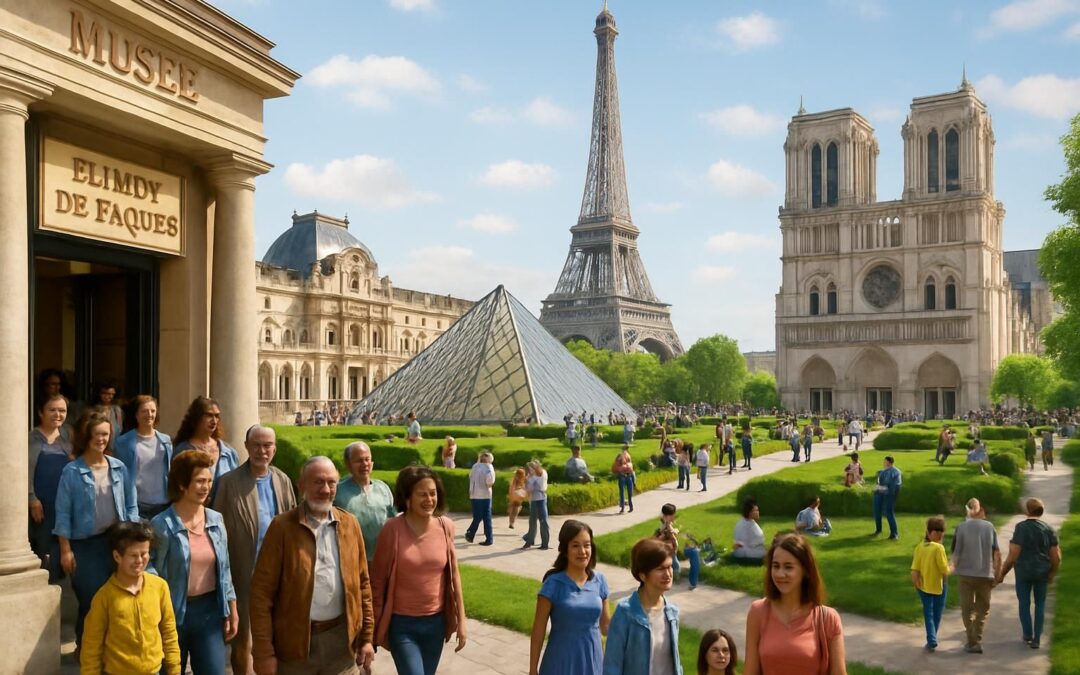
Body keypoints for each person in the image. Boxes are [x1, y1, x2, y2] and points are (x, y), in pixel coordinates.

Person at [250, 456, 375, 675]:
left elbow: (363, 586)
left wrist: (366, 639)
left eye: (331, 482)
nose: (325, 489)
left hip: (341, 645)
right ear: (302, 486)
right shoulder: (282, 528)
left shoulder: (349, 525)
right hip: (295, 648)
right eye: (317, 482)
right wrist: (263, 652)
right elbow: (261, 594)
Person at [212, 425, 298, 675]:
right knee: (244, 639)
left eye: (268, 445)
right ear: (247, 446)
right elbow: (218, 531)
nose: (262, 450)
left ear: (275, 448)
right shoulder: (228, 483)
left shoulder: (282, 480)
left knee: (280, 634)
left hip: (278, 572)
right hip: (243, 570)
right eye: (257, 445)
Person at [54, 410, 140, 644]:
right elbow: (62, 513)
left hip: (115, 541)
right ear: (86, 437)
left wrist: (133, 537)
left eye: (106, 434)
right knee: (91, 600)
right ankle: (87, 650)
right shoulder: (71, 472)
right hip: (84, 546)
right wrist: (65, 549)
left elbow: (131, 505)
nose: (101, 439)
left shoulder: (119, 468)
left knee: (115, 599)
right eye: (97, 434)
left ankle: (108, 652)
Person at [371, 465, 466, 675]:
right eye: (421, 494)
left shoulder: (445, 526)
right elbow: (377, 583)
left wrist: (462, 620)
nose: (429, 500)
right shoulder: (392, 529)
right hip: (402, 625)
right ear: (407, 497)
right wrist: (370, 630)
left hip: (436, 623)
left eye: (432, 494)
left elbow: (454, 576)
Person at [150, 450, 239, 674]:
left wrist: (232, 608)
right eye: (199, 481)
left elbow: (225, 568)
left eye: (209, 481)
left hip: (209, 611)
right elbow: (150, 571)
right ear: (182, 484)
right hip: (171, 613)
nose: (206, 487)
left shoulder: (216, 520)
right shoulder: (161, 524)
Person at [81, 520, 181, 675]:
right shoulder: (104, 597)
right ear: (117, 556)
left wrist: (174, 669)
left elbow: (169, 632)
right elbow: (91, 646)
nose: (140, 561)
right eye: (133, 555)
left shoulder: (159, 587)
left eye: (144, 554)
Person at [743, 533, 845, 675]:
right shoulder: (758, 612)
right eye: (776, 566)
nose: (780, 574)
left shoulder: (828, 619)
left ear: (806, 571)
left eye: (788, 567)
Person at [529, 520, 610, 675]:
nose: (582, 551)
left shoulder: (600, 581)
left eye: (587, 545)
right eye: (575, 545)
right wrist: (533, 669)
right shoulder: (552, 584)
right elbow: (538, 631)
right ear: (565, 550)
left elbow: (606, 627)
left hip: (592, 660)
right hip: (560, 661)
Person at [602, 537, 682, 675]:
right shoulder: (625, 613)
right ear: (643, 575)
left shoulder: (672, 613)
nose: (668, 574)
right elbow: (612, 665)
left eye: (669, 567)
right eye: (660, 569)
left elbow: (675, 663)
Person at [996, 498, 1062, 649]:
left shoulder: (1021, 528)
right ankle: (1037, 638)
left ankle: (1027, 634)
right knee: (1040, 604)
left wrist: (1003, 574)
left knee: (1024, 603)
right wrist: (1052, 573)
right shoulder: (1048, 529)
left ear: (1027, 511)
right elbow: (1056, 556)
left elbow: (1013, 555)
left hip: (1023, 572)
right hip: (1041, 572)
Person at [29, 393, 72, 582]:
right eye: (52, 410)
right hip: (42, 508)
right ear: (40, 412)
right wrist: (31, 499)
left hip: (63, 506)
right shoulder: (32, 438)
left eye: (62, 410)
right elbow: (24, 473)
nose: (57, 414)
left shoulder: (68, 436)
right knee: (43, 554)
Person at [950, 497, 1001, 654]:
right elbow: (996, 553)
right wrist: (997, 573)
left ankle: (972, 640)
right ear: (980, 510)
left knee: (966, 607)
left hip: (965, 573)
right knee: (983, 607)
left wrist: (951, 568)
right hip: (985, 574)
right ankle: (976, 638)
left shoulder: (961, 527)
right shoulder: (989, 527)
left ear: (968, 510)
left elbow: (956, 552)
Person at [113, 394, 175, 519]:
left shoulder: (165, 441)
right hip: (138, 506)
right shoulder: (123, 442)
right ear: (136, 415)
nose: (149, 415)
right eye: (144, 411)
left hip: (163, 505)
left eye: (152, 411)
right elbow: (121, 477)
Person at [334, 441, 395, 563]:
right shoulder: (337, 491)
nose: (364, 464)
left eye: (367, 459)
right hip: (350, 560)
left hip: (382, 559)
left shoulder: (383, 488)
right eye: (359, 461)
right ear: (348, 464)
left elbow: (393, 522)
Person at [174, 397, 240, 502]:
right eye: (209, 415)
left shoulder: (229, 453)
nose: (214, 421)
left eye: (217, 416)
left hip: (222, 513)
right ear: (196, 417)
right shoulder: (183, 451)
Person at [910, 516, 950, 652]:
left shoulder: (919, 547)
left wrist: (915, 583)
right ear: (930, 532)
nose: (939, 534)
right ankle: (932, 638)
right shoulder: (939, 548)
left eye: (940, 532)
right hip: (939, 586)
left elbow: (914, 568)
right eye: (938, 532)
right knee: (937, 612)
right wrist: (952, 568)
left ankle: (931, 638)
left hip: (923, 586)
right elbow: (944, 569)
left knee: (928, 612)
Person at [466, 451, 496, 546]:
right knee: (484, 517)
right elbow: (489, 481)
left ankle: (471, 533)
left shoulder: (478, 467)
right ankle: (483, 537)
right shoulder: (484, 467)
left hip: (478, 495)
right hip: (481, 495)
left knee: (480, 516)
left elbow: (471, 478)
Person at [873, 456, 903, 540]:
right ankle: (878, 530)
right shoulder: (882, 472)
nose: (884, 463)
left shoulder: (896, 472)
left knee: (888, 512)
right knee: (877, 510)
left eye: (885, 461)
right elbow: (879, 483)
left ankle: (894, 534)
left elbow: (895, 486)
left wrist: (885, 490)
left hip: (890, 493)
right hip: (881, 492)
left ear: (890, 462)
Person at [523, 460, 551, 550]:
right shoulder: (530, 477)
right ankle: (530, 541)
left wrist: (531, 482)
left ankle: (545, 543)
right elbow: (528, 488)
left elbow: (541, 486)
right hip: (533, 500)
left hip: (541, 499)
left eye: (532, 468)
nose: (531, 470)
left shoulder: (542, 474)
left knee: (543, 521)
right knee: (532, 521)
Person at [91, 379, 123, 450]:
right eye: (105, 393)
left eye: (111, 394)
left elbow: (120, 429)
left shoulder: (117, 410)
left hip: (115, 447)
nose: (108, 396)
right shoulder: (93, 410)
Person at [733, 497, 766, 564]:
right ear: (750, 512)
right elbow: (742, 544)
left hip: (753, 549)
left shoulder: (751, 522)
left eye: (758, 510)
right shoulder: (744, 525)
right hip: (746, 553)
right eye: (755, 510)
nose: (758, 512)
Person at [656, 503, 682, 582]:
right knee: (676, 565)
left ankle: (669, 576)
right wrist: (676, 531)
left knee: (670, 562)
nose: (674, 516)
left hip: (667, 547)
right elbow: (671, 533)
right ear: (669, 515)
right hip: (670, 548)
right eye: (673, 514)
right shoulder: (667, 524)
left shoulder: (664, 521)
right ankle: (675, 579)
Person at [613, 446, 636, 513]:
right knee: (629, 492)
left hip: (622, 475)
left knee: (622, 492)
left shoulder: (620, 455)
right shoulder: (628, 456)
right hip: (628, 475)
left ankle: (623, 507)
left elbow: (616, 465)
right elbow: (631, 468)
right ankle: (630, 507)